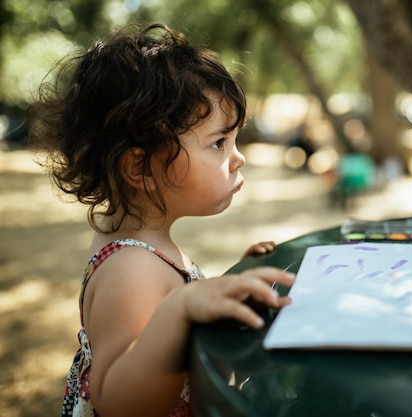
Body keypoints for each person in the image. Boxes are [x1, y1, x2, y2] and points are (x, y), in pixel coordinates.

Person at [27, 23, 295, 417]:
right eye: (219, 143)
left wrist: (224, 290)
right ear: (140, 167)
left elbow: (166, 323)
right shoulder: (131, 269)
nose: (238, 158)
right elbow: (119, 404)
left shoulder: (144, 247)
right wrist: (182, 309)